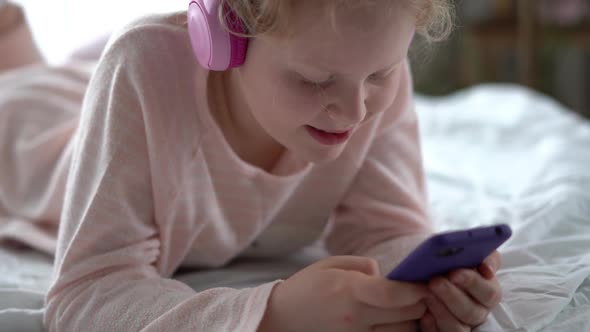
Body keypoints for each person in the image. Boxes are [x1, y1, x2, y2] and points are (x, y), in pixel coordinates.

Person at [0, 1, 504, 331]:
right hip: (32, 136)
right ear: (224, 39)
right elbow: (82, 297)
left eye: (382, 73)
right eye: (313, 80)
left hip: (102, 86)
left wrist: (438, 278)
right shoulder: (143, 68)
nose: (356, 112)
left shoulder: (359, 68)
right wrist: (273, 313)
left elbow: (386, 228)